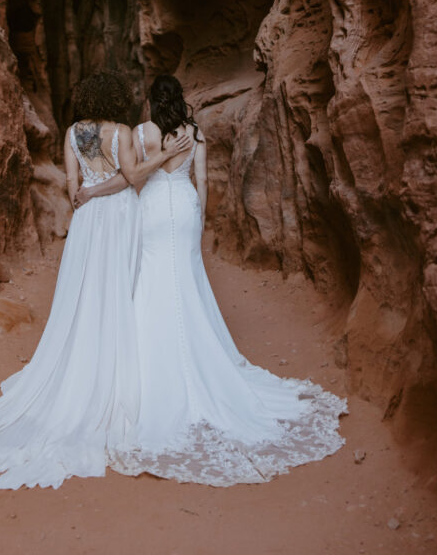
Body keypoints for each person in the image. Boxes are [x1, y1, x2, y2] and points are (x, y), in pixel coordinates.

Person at [0, 71, 190, 489]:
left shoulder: (72, 133)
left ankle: (84, 352)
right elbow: (132, 178)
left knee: (85, 291)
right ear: (114, 99)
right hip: (118, 215)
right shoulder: (121, 131)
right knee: (120, 285)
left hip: (87, 224)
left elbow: (73, 184)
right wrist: (132, 174)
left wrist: (84, 197)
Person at [83, 74, 347, 485]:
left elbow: (135, 177)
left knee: (152, 279)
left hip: (153, 206)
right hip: (184, 206)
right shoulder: (195, 133)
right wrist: (199, 218)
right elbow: (201, 181)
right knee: (187, 279)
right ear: (180, 99)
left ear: (152, 101)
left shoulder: (141, 132)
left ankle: (151, 366)